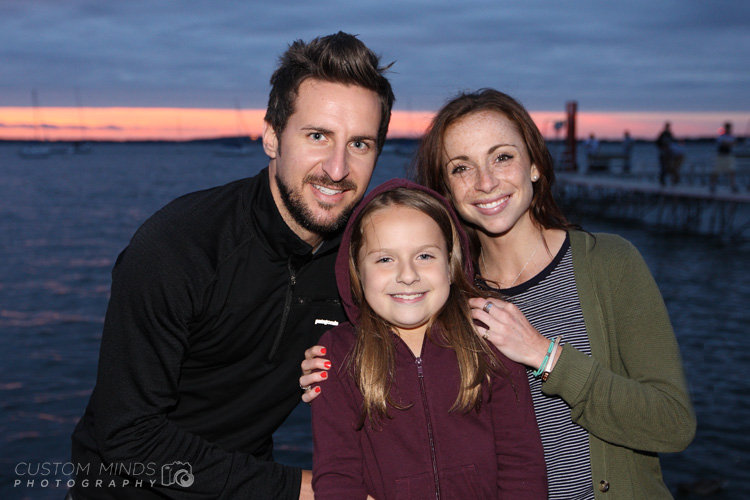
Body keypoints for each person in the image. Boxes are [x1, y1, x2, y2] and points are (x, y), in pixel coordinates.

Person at [301, 89, 696, 500]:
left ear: (536, 165)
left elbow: (673, 424)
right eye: (461, 168)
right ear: (445, 191)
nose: (486, 182)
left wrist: (547, 357)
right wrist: (333, 367)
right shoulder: (442, 294)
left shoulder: (609, 264)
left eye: (502, 157)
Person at [69, 32, 394, 500]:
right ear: (271, 136)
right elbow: (128, 435)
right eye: (318, 136)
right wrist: (302, 489)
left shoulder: (362, 259)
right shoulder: (179, 247)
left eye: (360, 144)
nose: (338, 168)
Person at [310, 179, 547, 499]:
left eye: (424, 256)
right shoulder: (338, 355)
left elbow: (521, 463)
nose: (407, 275)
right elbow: (337, 476)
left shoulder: (488, 338)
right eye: (384, 259)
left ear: (451, 266)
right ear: (357, 271)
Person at [710, 122, 738, 193]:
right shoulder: (721, 136)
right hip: (720, 156)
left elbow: (733, 143)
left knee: (732, 171)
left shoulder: (731, 136)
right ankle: (713, 186)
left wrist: (728, 143)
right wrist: (729, 143)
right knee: (716, 171)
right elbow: (724, 143)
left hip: (728, 155)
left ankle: (733, 186)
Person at [656, 121, 674, 186]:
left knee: (669, 166)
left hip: (668, 153)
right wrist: (662, 148)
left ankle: (670, 181)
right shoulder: (663, 134)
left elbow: (672, 143)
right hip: (663, 153)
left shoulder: (669, 134)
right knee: (663, 167)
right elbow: (658, 143)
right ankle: (662, 181)